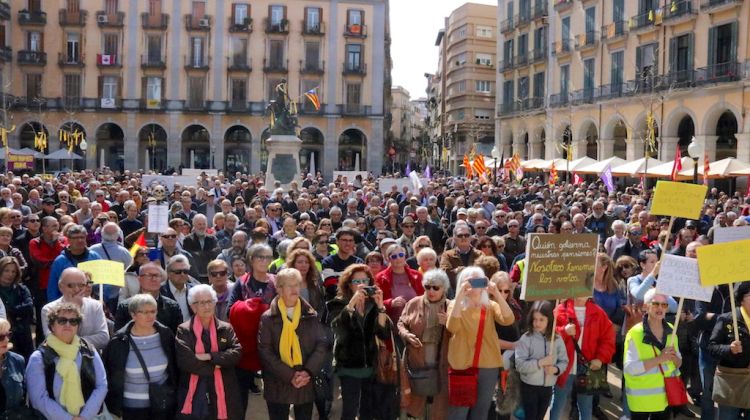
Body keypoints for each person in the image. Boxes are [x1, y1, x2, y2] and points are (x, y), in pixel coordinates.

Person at [257, 268, 328, 420]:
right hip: (278, 381)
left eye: (296, 284)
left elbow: (321, 343)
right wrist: (290, 375)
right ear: (279, 289)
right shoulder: (268, 318)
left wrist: (307, 372)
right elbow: (265, 351)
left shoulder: (309, 313)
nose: (294, 289)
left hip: (305, 379)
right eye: (289, 285)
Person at [446, 266, 514, 419]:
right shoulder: (454, 305)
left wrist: (496, 292)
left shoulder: (491, 306)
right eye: (469, 281)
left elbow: (509, 319)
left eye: (478, 280)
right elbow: (452, 327)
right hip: (462, 365)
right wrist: (459, 297)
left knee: (481, 412)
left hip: (488, 365)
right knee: (458, 412)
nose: (473, 284)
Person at [326, 263, 389, 420]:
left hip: (370, 365)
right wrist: (352, 304)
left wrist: (381, 307)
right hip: (348, 366)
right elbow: (337, 327)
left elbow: (383, 333)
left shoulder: (372, 304)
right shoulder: (337, 303)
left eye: (365, 280)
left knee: (367, 409)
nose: (361, 285)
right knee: (350, 410)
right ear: (348, 284)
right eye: (356, 281)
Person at [26, 302, 108, 419]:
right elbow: (38, 399)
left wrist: (85, 416)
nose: (68, 325)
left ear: (78, 326)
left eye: (73, 321)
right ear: (52, 326)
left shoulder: (89, 350)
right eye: (62, 321)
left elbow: (102, 385)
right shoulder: (38, 357)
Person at [102, 293, 177, 419]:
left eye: (153, 311)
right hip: (131, 408)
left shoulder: (166, 335)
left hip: (162, 406)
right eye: (144, 312)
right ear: (133, 314)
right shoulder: (119, 341)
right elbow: (110, 374)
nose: (150, 316)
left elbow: (174, 369)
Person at [175, 284, 243, 420]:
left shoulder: (226, 328)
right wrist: (218, 364)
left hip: (224, 388)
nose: (206, 306)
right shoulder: (184, 330)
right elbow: (187, 362)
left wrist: (209, 356)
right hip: (196, 391)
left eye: (209, 301)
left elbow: (236, 354)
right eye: (201, 303)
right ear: (193, 307)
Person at [549, 295, 616, 420]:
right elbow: (549, 336)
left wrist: (600, 358)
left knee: (586, 407)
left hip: (588, 367)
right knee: (558, 403)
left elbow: (608, 338)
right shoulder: (560, 310)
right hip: (564, 367)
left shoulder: (598, 313)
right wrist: (563, 330)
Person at [397, 269, 451, 419]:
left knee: (438, 404)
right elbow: (401, 323)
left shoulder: (451, 306)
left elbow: (460, 333)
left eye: (436, 287)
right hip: (416, 359)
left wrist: (448, 323)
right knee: (416, 401)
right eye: (427, 287)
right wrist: (407, 335)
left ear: (444, 288)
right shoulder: (414, 303)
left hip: (441, 361)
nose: (431, 291)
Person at [623, 289, 682, 420]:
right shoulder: (635, 333)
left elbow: (678, 364)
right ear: (646, 306)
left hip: (665, 399)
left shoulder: (671, 330)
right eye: (655, 304)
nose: (660, 308)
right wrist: (660, 358)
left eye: (664, 305)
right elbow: (630, 368)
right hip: (641, 402)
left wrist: (674, 358)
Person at [515, 300, 569, 420]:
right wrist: (540, 363)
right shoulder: (526, 338)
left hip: (547, 387)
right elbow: (520, 364)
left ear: (549, 320)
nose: (537, 323)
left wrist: (556, 369)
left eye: (541, 320)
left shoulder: (557, 338)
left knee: (540, 417)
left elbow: (564, 361)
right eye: (535, 319)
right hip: (529, 386)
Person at [707, 282, 750, 419]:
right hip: (732, 382)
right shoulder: (727, 319)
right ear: (741, 299)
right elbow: (711, 347)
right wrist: (729, 349)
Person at [42, 268, 110, 351]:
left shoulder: (95, 306)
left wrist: (74, 342)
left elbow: (103, 338)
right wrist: (73, 308)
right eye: (71, 285)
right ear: (60, 287)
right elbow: (51, 340)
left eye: (81, 285)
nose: (77, 289)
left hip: (89, 359)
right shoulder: (49, 309)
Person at [115, 262, 183, 333]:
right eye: (149, 275)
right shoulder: (126, 307)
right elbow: (119, 337)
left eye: (156, 275)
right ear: (139, 279)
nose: (153, 279)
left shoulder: (172, 307)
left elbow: (177, 336)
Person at [375, 244, 424, 322]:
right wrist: (391, 303)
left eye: (401, 255)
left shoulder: (417, 275)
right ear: (388, 259)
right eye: (394, 256)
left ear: (405, 256)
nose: (398, 258)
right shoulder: (380, 278)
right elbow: (375, 302)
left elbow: (424, 298)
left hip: (416, 321)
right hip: (392, 322)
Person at [0, 256, 34, 360]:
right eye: (6, 270)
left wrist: (10, 309)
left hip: (23, 334)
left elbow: (29, 306)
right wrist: (17, 311)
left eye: (13, 271)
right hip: (4, 336)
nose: (10, 274)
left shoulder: (22, 289)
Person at [228, 243, 277, 308]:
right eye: (260, 257)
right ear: (251, 259)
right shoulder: (242, 282)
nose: (265, 261)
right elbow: (230, 310)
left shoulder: (276, 281)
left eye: (268, 257)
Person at [0, 317, 30, 417]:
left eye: (8, 335)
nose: (6, 340)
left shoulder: (17, 360)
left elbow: (26, 397)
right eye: (1, 337)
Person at [440, 225, 483, 291]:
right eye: (460, 235)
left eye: (466, 235)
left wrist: (458, 271)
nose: (463, 237)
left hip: (476, 292)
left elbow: (484, 276)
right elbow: (445, 274)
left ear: (471, 238)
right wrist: (462, 271)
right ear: (454, 238)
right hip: (455, 292)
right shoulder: (447, 255)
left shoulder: (480, 254)